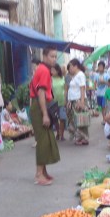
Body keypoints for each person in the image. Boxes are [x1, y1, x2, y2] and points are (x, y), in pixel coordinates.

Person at [29, 46, 60, 186]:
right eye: (52, 56)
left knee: (46, 140)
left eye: (55, 57)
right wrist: (45, 115)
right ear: (45, 56)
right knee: (42, 141)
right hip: (40, 107)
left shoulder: (43, 70)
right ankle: (39, 174)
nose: (54, 59)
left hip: (40, 105)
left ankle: (44, 172)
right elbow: (41, 93)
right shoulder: (43, 70)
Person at [66, 59, 88, 146]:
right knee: (76, 120)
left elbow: (82, 88)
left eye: (71, 66)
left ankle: (84, 138)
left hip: (78, 100)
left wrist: (82, 102)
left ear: (75, 66)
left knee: (81, 119)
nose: (70, 69)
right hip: (73, 100)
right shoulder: (74, 76)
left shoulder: (80, 75)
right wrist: (69, 100)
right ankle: (79, 136)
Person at [50, 64, 67, 141]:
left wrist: (66, 100)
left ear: (57, 70)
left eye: (53, 70)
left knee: (62, 118)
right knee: (55, 119)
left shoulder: (63, 78)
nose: (52, 71)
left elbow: (66, 89)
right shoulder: (50, 79)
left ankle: (62, 134)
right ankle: (58, 132)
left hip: (62, 101)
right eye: (51, 70)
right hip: (53, 102)